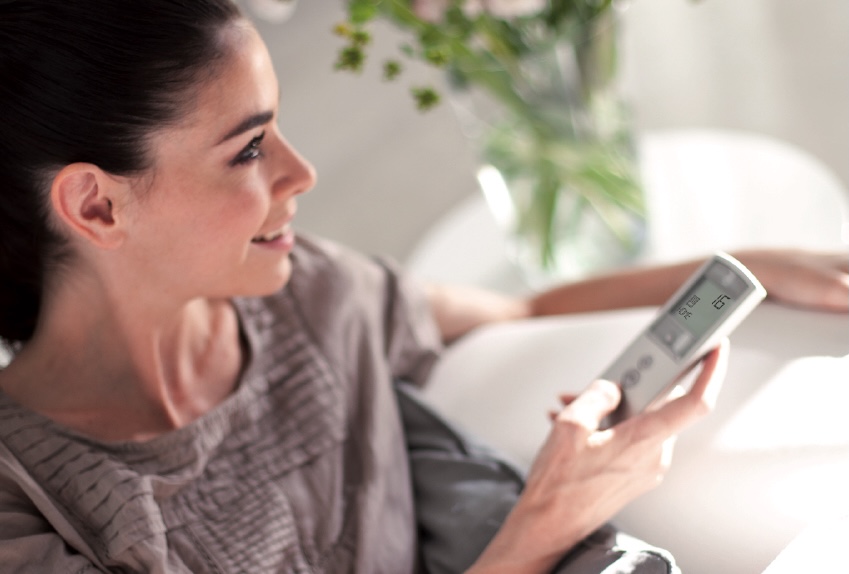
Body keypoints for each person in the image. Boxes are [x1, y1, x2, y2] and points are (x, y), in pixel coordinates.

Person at [0, 1, 846, 572]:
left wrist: (746, 267)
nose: (302, 172)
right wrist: (537, 531)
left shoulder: (317, 296)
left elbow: (518, 311)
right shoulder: (27, 503)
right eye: (250, 149)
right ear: (96, 204)